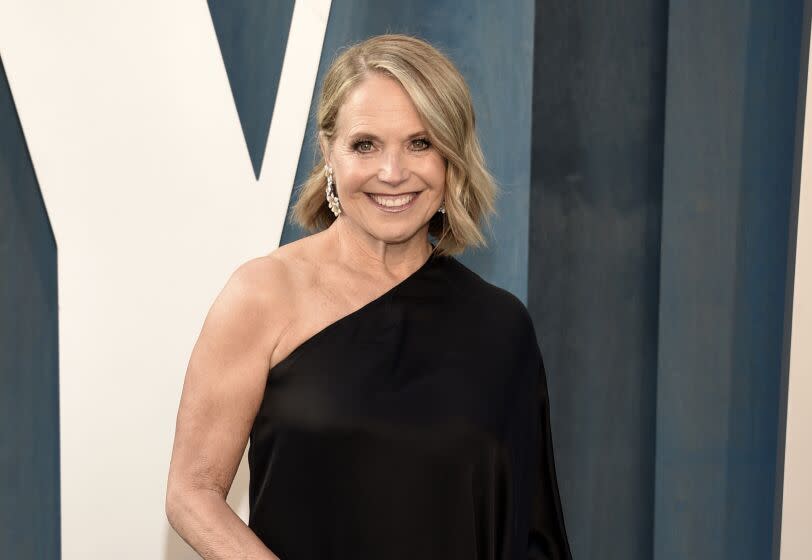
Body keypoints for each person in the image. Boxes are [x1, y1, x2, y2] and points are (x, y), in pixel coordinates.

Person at [166, 33, 572, 560]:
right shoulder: (263, 295)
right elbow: (191, 491)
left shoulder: (501, 327)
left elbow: (529, 535)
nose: (393, 172)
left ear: (451, 158)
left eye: (420, 143)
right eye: (366, 145)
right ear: (329, 153)